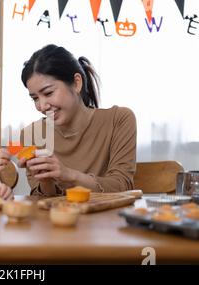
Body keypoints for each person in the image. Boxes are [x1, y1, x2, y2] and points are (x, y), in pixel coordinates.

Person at [19, 44, 137, 196]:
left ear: (76, 83)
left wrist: (68, 175)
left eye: (48, 93)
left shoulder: (119, 120)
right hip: (59, 219)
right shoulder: (31, 134)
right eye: (35, 98)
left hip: (108, 219)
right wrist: (45, 179)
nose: (41, 106)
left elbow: (122, 186)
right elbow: (43, 201)